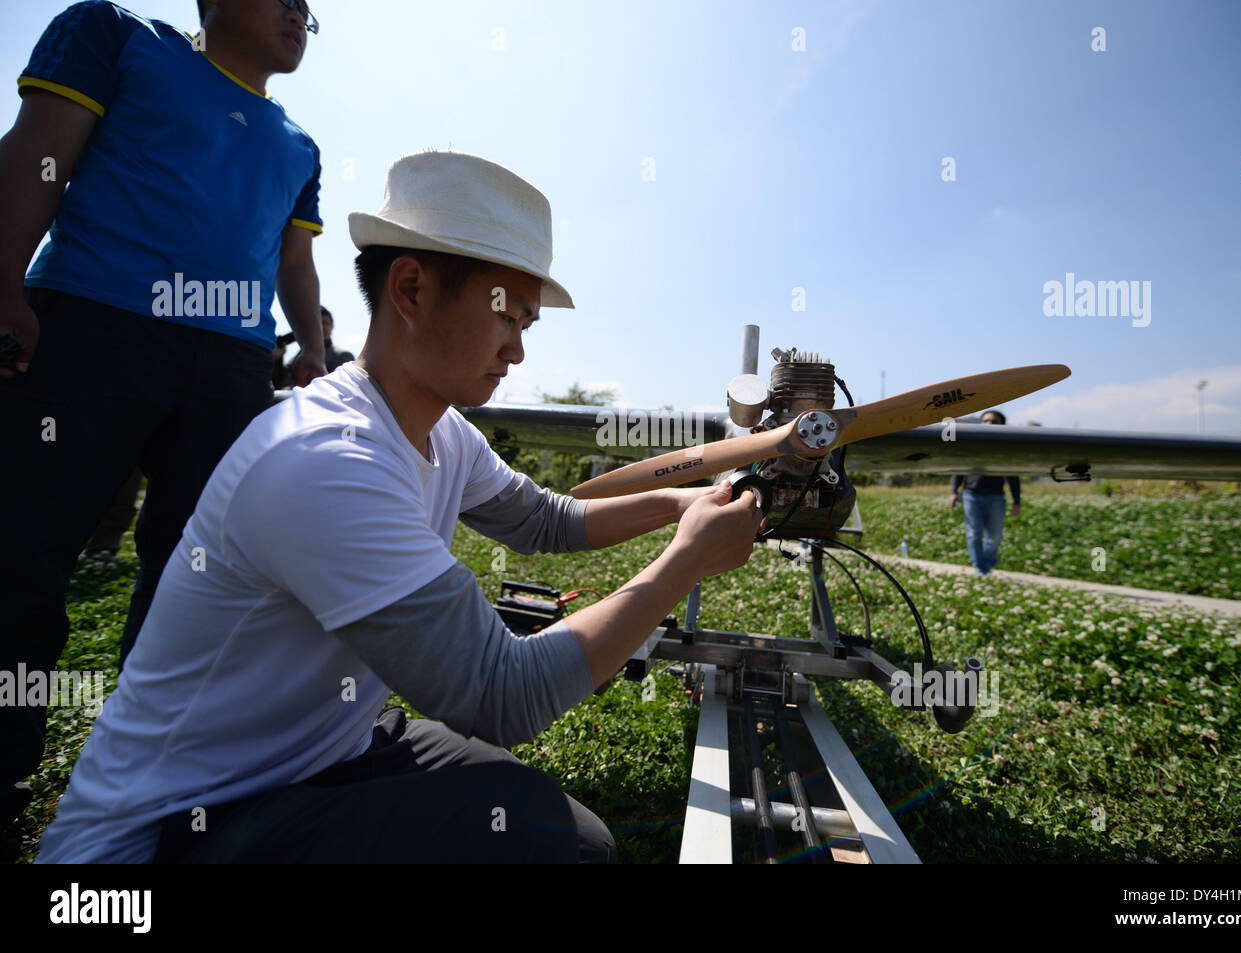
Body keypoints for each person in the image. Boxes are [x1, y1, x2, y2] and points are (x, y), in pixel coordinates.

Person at [36, 150, 765, 864]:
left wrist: (679, 501)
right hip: (173, 831)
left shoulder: (444, 431)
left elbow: (546, 520)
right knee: (532, 835)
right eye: (507, 316)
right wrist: (685, 562)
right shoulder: (325, 459)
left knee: (580, 843)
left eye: (527, 326)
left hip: (324, 754)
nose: (517, 351)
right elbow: (503, 693)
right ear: (411, 289)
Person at [0, 0, 326, 828]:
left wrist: (313, 351)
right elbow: (39, 155)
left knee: (198, 576)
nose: (301, 15)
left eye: (309, 10)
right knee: (23, 550)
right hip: (93, 324)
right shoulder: (114, 37)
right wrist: (3, 283)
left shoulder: (300, 145)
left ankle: (155, 775)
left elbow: (295, 262)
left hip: (232, 366)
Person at [949, 410, 1021, 575]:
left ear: (1002, 425)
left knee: (995, 537)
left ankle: (987, 563)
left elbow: (1013, 477)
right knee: (973, 533)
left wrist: (1017, 501)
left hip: (996, 497)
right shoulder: (971, 447)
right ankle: (980, 567)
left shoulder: (1006, 450)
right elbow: (959, 470)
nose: (989, 424)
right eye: (985, 420)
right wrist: (954, 492)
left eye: (994, 421)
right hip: (971, 495)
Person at [320, 306, 355, 371]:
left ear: (332, 326)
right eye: (318, 323)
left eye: (324, 322)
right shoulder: (300, 357)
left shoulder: (343, 356)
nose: (321, 327)